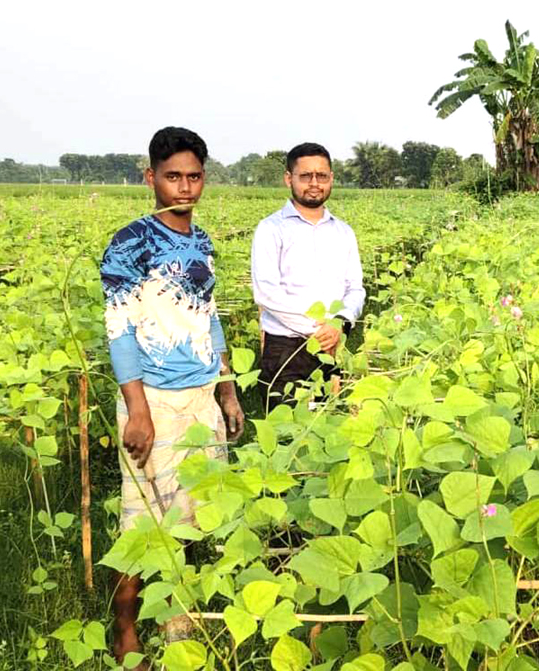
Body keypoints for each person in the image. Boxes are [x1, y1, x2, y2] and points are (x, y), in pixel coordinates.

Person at [100, 126, 244, 664]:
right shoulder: (129, 243)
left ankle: (175, 620)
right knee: (141, 524)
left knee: (187, 516)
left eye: (193, 177)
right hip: (154, 399)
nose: (184, 187)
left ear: (204, 179)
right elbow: (119, 331)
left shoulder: (201, 242)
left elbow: (209, 318)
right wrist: (138, 412)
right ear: (151, 178)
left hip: (200, 395)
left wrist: (227, 390)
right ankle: (125, 631)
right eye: (172, 176)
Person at [250, 142, 365, 409]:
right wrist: (318, 330)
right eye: (305, 176)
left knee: (326, 420)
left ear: (331, 178)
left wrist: (339, 323)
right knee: (285, 424)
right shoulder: (271, 229)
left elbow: (355, 288)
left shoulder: (343, 232)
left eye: (321, 176)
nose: (314, 183)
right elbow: (266, 292)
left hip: (332, 343)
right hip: (286, 348)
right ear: (288, 179)